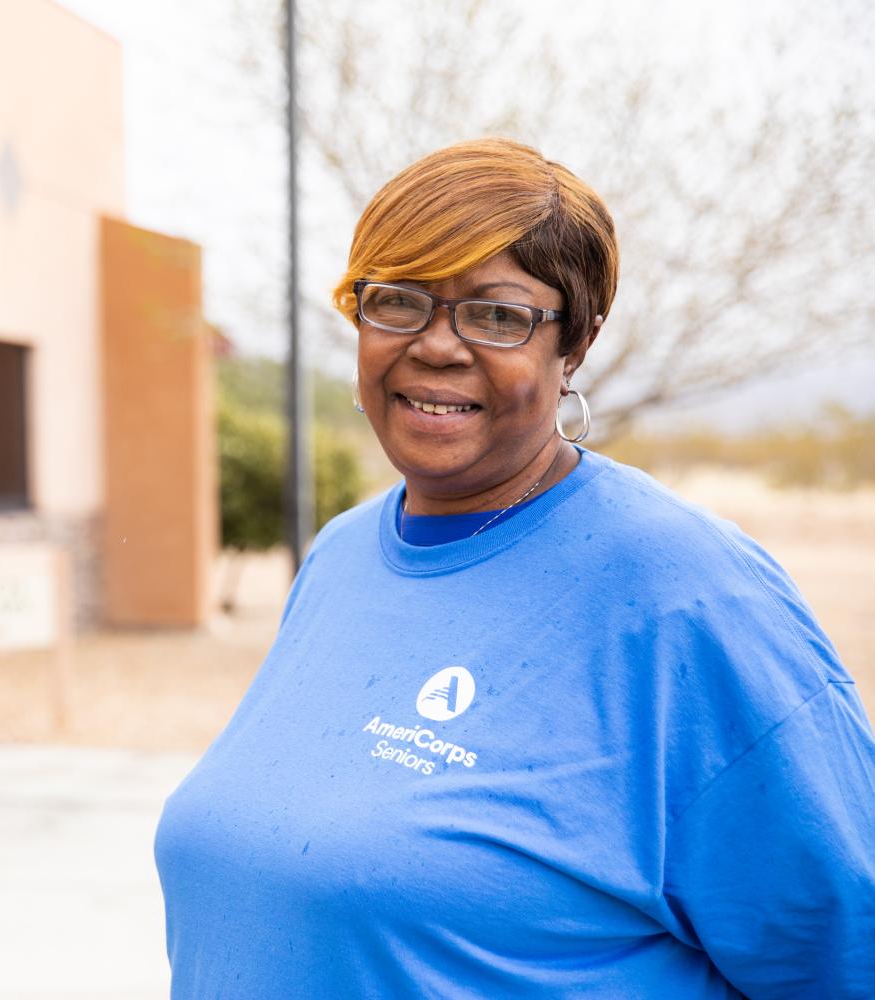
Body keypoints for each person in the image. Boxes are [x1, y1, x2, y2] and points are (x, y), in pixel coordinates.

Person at [153, 137, 875, 998]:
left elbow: (842, 952)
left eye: (496, 315)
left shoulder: (688, 595)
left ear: (575, 343)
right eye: (398, 302)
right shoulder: (340, 558)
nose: (437, 346)